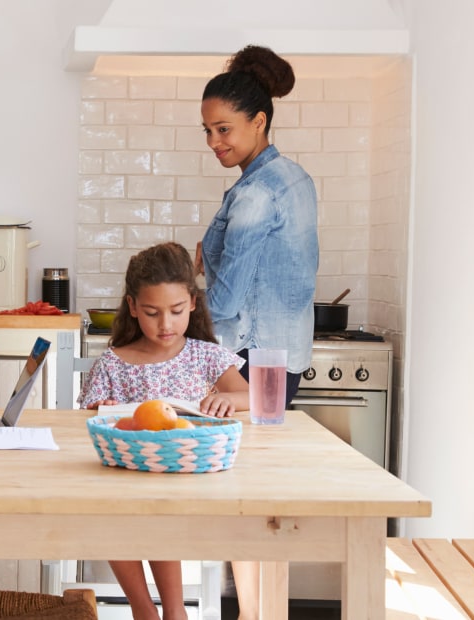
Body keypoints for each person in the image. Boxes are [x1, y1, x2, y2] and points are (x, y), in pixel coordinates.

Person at [196, 45, 320, 620]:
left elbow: (225, 299)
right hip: (282, 356)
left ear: (259, 121)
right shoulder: (293, 179)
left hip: (247, 357)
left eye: (224, 129)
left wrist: (189, 298)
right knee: (256, 502)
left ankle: (256, 614)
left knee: (242, 505)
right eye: (208, 131)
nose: (215, 141)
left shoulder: (252, 194)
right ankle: (256, 613)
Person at [79, 241, 249, 620]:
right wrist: (100, 410)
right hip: (124, 481)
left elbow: (248, 395)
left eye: (175, 311)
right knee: (111, 511)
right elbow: (88, 417)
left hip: (189, 480)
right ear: (133, 307)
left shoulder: (204, 355)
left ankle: (174, 613)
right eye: (153, 313)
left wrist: (228, 400)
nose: (166, 325)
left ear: (192, 302)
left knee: (157, 507)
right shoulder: (113, 362)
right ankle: (145, 610)